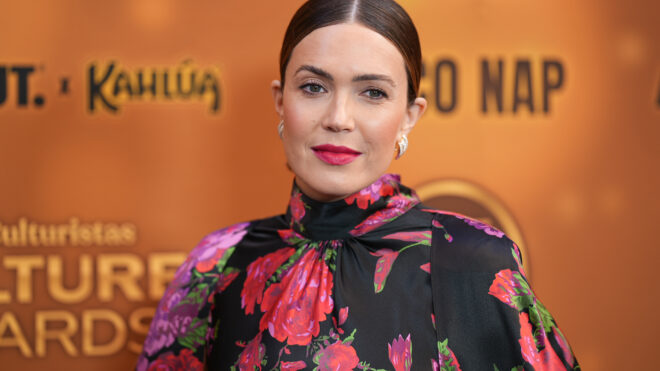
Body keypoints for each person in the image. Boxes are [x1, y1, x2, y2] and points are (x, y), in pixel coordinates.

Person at [137, 0, 579, 369]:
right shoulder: (215, 265)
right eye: (313, 87)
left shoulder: (477, 260)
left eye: (372, 93)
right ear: (280, 101)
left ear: (409, 115)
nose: (338, 119)